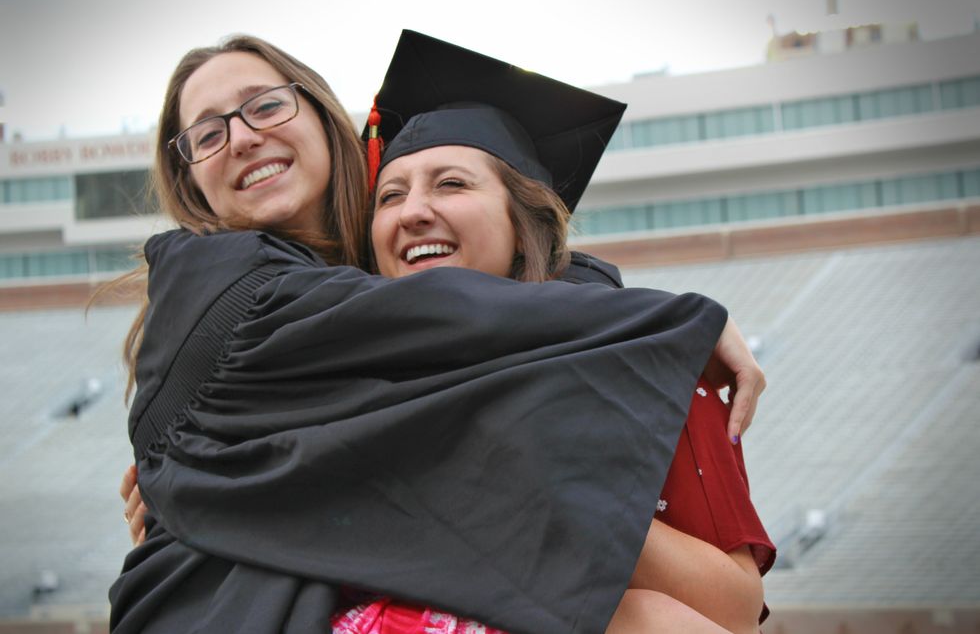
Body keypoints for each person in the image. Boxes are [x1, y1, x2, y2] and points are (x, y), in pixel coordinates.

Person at [108, 32, 763, 634]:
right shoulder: (219, 284)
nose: (243, 137)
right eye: (207, 133)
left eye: (266, 106)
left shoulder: (404, 322)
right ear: (190, 178)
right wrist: (672, 319)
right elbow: (436, 314)